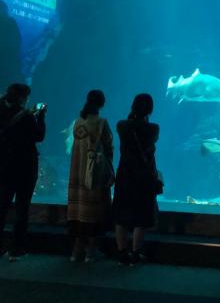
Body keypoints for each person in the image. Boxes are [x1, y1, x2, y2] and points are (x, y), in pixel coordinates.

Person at [0, 83, 47, 260]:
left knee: (1, 207)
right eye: (26, 97)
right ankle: (17, 249)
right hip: (25, 166)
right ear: (22, 98)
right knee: (22, 207)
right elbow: (39, 136)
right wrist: (41, 117)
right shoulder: (26, 117)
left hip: (4, 165)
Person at [112, 93, 160, 266]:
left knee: (121, 216)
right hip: (144, 177)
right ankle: (135, 253)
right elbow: (150, 143)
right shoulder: (153, 128)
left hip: (125, 175)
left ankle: (122, 254)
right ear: (150, 109)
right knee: (141, 216)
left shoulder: (121, 125)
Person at [67, 89, 114, 262]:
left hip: (77, 174)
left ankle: (76, 251)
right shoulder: (102, 123)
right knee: (95, 213)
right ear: (102, 104)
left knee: (78, 214)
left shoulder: (78, 122)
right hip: (95, 175)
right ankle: (90, 252)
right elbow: (109, 147)